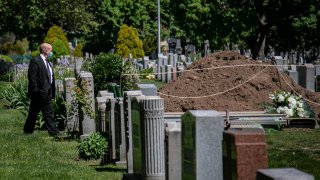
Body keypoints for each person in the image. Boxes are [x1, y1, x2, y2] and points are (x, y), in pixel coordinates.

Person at [24, 43, 60, 136]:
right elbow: (32, 78)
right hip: (39, 93)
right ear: (46, 50)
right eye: (51, 50)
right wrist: (36, 91)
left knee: (49, 112)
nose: (51, 52)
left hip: (48, 91)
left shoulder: (47, 61)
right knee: (33, 112)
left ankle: (53, 132)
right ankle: (28, 130)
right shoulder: (36, 60)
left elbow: (49, 76)